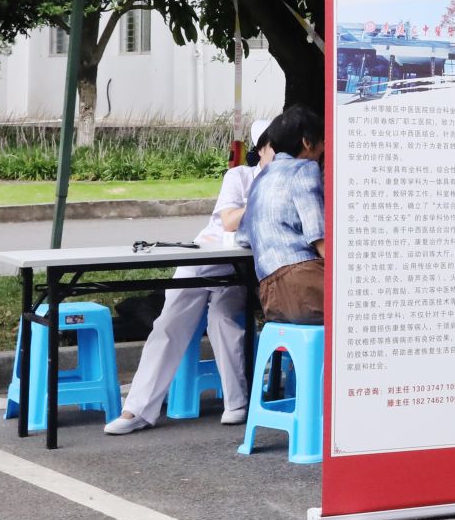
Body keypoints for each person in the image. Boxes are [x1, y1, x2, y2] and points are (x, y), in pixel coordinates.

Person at [104, 118, 270, 434]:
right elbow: (229, 221)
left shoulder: (293, 178)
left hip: (239, 271)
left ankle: (237, 403)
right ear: (261, 149)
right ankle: (136, 410)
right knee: (168, 324)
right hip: (203, 258)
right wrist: (265, 194)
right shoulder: (239, 176)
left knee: (223, 319)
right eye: (276, 147)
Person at [243, 105, 327, 325]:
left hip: (270, 295)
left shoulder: (261, 178)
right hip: (305, 284)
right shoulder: (305, 169)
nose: (324, 148)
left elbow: (243, 236)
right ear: (307, 142)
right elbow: (319, 238)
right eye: (322, 141)